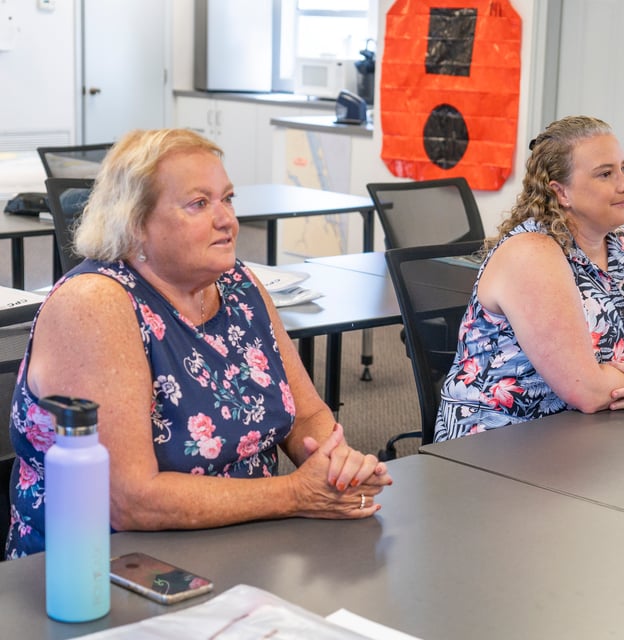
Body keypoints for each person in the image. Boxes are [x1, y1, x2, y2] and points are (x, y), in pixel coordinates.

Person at [6, 129, 392, 559]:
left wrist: (336, 468)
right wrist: (295, 494)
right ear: (135, 222)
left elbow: (309, 415)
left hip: (247, 544)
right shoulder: (95, 305)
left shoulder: (238, 284)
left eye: (227, 199)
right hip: (106, 570)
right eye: (199, 204)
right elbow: (130, 500)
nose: (226, 219)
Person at [434, 115, 624, 441]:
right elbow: (589, 392)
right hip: (504, 443)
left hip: (599, 433)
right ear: (562, 192)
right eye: (605, 174)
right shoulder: (531, 254)